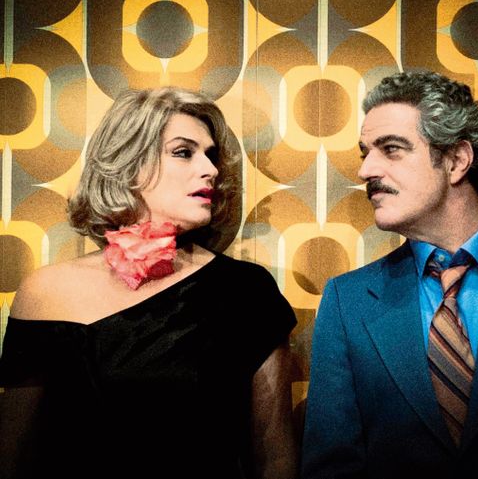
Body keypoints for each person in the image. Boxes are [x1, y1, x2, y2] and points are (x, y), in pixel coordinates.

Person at [0, 87, 298, 479]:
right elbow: (12, 458)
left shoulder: (246, 292)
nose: (210, 169)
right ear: (128, 163)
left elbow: (275, 459)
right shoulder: (45, 292)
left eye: (210, 155)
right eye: (183, 152)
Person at [301, 70, 478, 478]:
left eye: (391, 149)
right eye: (365, 153)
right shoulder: (348, 300)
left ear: (457, 160)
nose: (365, 171)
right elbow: (331, 465)